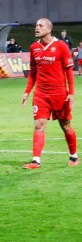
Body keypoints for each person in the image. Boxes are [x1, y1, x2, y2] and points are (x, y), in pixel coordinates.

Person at [21, 18, 77, 169]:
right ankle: (36, 161)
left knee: (65, 125)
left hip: (59, 93)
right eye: (36, 25)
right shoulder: (34, 47)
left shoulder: (61, 46)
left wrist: (71, 94)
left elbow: (69, 71)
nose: (37, 28)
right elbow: (33, 72)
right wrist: (27, 92)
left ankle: (74, 156)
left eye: (40, 25)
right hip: (41, 94)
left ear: (49, 29)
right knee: (39, 125)